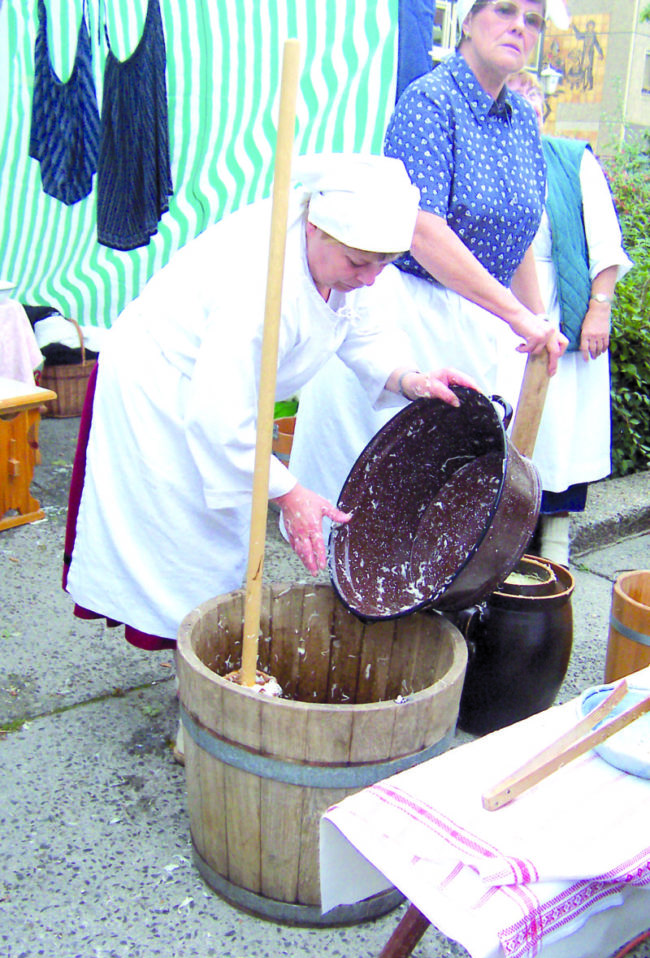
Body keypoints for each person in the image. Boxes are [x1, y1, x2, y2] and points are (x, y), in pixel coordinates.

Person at [63, 153, 477, 654]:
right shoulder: (259, 287)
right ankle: (197, 666)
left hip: (226, 394)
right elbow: (221, 420)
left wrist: (412, 379)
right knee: (179, 538)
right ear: (315, 231)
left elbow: (362, 332)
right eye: (359, 264)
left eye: (384, 265)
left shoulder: (349, 258)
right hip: (163, 385)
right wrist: (290, 492)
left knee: (220, 536)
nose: (370, 278)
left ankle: (205, 660)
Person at [286, 0, 567, 526]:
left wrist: (536, 321)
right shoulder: (430, 101)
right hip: (407, 312)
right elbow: (422, 230)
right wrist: (517, 315)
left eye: (533, 20)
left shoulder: (524, 120)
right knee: (377, 484)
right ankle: (346, 598)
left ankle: (424, 607)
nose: (518, 27)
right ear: (467, 18)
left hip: (481, 322)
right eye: (505, 10)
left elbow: (520, 230)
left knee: (444, 491)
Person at [503, 70, 632, 564]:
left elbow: (605, 244)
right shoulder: (487, 162)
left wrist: (599, 308)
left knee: (560, 424)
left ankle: (554, 535)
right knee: (503, 419)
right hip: (498, 304)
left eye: (528, 116)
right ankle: (499, 533)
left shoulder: (571, 160)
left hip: (559, 304)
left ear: (541, 118)